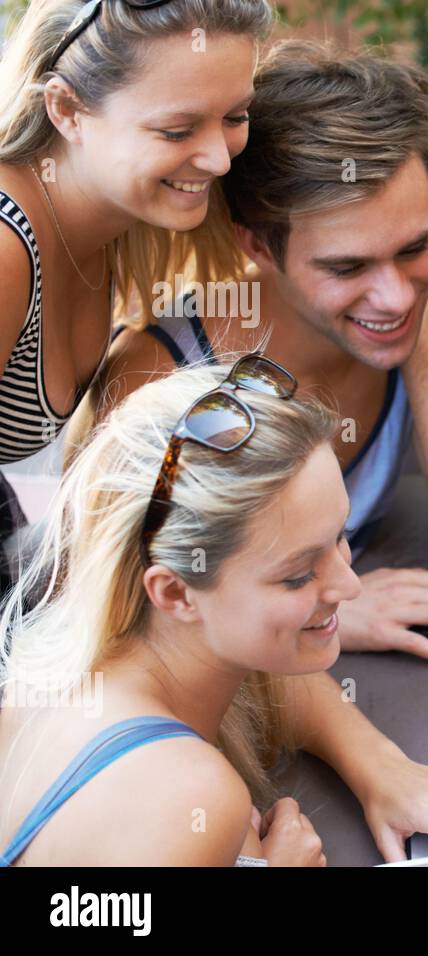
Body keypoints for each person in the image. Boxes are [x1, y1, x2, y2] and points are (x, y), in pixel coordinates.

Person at [89, 41, 428, 668]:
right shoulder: (164, 376)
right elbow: (114, 612)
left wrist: (420, 315)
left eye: (414, 246)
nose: (390, 293)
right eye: (347, 266)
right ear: (258, 246)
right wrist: (327, 607)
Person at [0, 360, 428, 865]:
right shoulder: (193, 799)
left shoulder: (88, 663)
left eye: (339, 537)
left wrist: (382, 767)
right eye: (298, 575)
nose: (348, 586)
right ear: (176, 594)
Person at [0, 0, 274, 591]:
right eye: (177, 130)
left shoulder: (117, 219)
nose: (220, 158)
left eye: (235, 115)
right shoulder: (5, 248)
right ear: (67, 110)